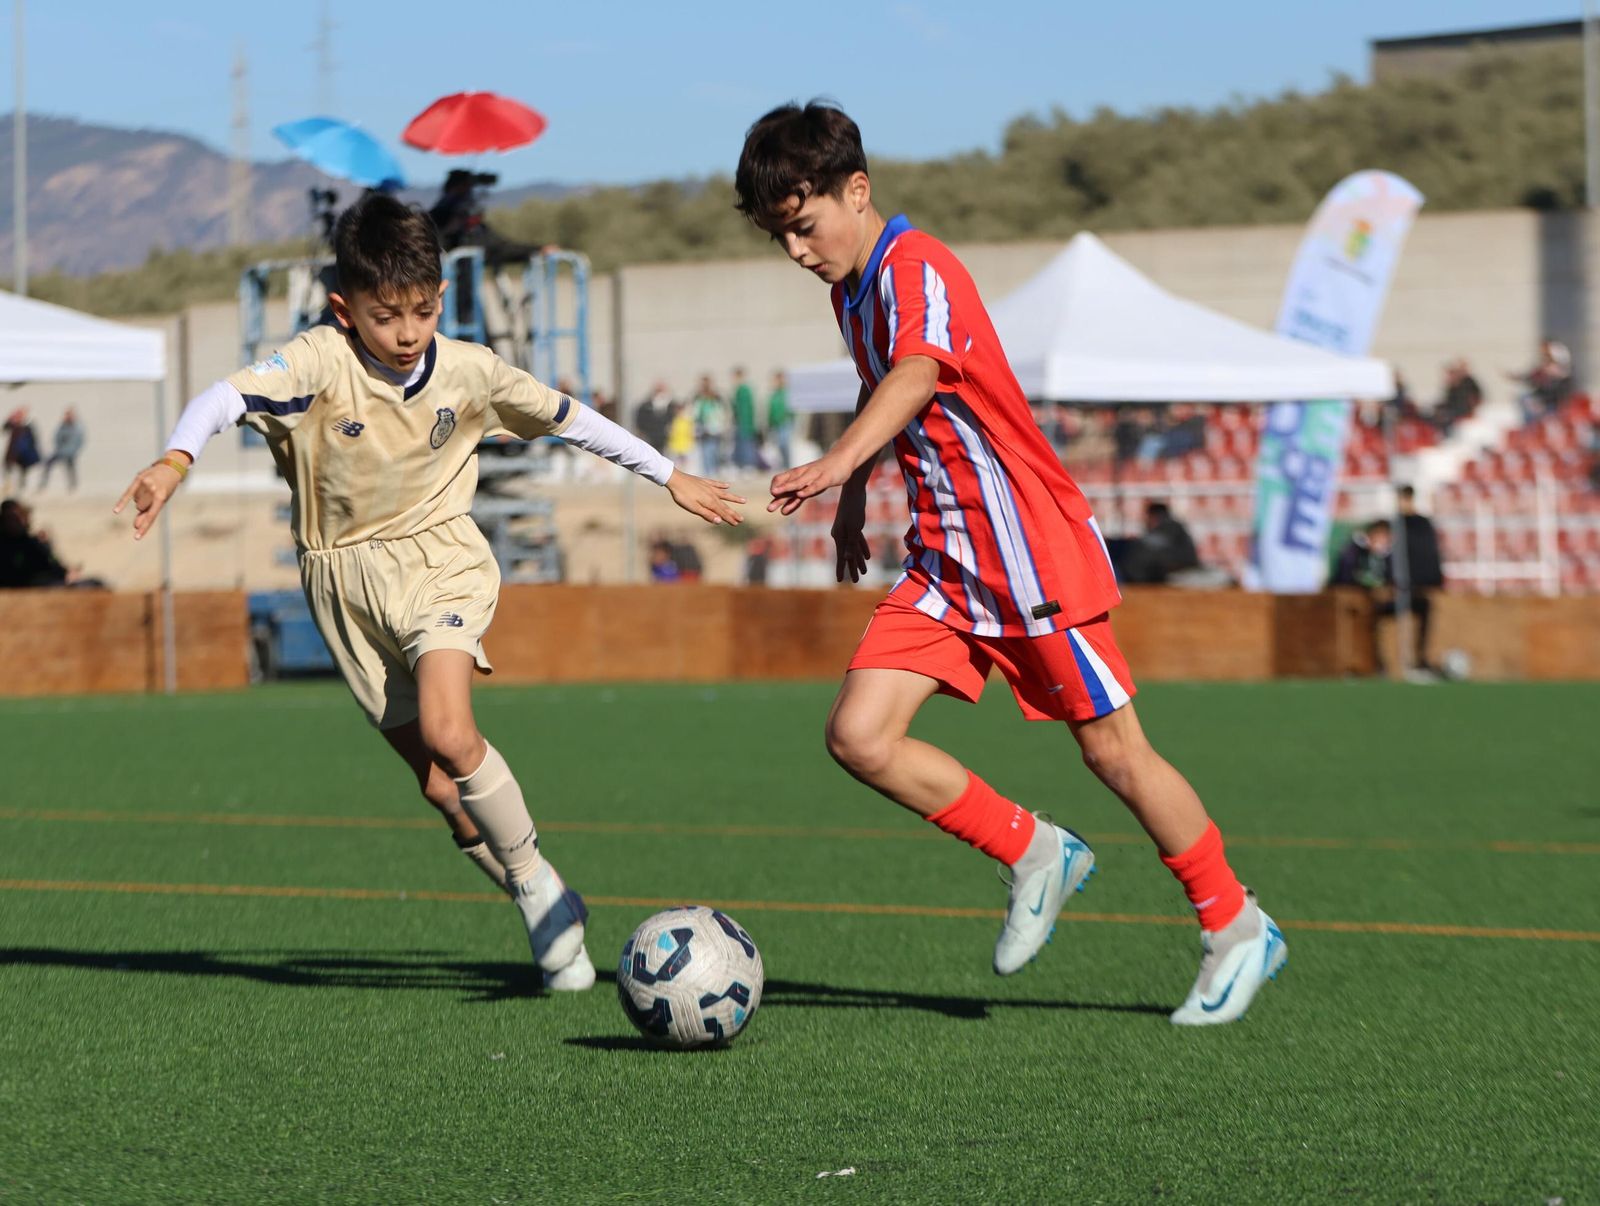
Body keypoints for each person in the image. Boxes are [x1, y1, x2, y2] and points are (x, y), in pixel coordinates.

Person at [738, 101, 1284, 1026]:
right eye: (779, 236)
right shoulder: (851, 290)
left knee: (1114, 751)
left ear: (856, 191)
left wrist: (834, 463)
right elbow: (889, 393)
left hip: (1027, 551)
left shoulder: (918, 266)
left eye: (803, 225)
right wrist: (855, 501)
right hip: (947, 557)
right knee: (860, 737)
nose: (796, 250)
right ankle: (1035, 851)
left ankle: (1236, 927)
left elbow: (916, 374)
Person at [114, 194, 743, 991]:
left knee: (451, 729)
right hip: (341, 584)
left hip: (440, 559)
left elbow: (571, 418)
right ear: (345, 310)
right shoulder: (315, 361)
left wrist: (670, 475)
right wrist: (175, 460)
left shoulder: (471, 370)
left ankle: (540, 894)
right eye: (386, 317)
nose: (407, 333)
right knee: (443, 791)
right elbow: (221, 399)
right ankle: (540, 889)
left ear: (440, 299)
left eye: (420, 311)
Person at [1393, 485, 1443, 674]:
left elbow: (1428, 553)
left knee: (1424, 615)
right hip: (1398, 585)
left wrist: (1432, 579)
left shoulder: (1421, 524)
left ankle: (1421, 658)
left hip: (1417, 583)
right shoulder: (1394, 524)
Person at [1121, 501, 1201, 585]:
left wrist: (1135, 541)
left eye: (1147, 516)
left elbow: (1156, 544)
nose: (1145, 520)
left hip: (1181, 570)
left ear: (1153, 516)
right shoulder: (1170, 527)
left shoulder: (1171, 526)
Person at [0, 497, 69, 587]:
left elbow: (54, 566)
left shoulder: (32, 543)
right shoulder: (6, 544)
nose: (15, 523)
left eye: (18, 518)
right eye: (10, 518)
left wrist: (46, 546)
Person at [692, 375, 729, 476]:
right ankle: (707, 469)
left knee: (713, 449)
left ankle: (713, 469)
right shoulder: (698, 398)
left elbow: (721, 412)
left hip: (714, 428)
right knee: (705, 450)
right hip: (703, 427)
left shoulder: (716, 399)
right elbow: (696, 412)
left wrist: (721, 425)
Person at [40, 410, 85, 492]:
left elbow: (78, 441)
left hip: (70, 453)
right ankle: (43, 485)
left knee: (70, 469)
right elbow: (57, 437)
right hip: (60, 451)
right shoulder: (62, 426)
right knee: (48, 464)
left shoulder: (77, 428)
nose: (67, 417)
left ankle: (73, 486)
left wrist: (72, 450)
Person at [3, 409, 42, 493]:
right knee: (8, 467)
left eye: (19, 416)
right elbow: (4, 428)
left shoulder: (27, 427)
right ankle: (8, 484)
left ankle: (21, 486)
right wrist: (10, 418)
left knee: (23, 469)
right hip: (12, 451)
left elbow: (33, 440)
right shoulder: (13, 425)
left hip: (23, 452)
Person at [730, 367, 760, 470]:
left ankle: (748, 465)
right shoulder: (740, 390)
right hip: (741, 423)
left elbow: (744, 409)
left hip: (745, 423)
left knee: (746, 445)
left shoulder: (743, 390)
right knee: (741, 445)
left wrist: (745, 423)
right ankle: (742, 464)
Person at [766, 370, 793, 469]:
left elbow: (790, 409)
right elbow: (772, 409)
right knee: (779, 445)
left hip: (784, 422)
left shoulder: (786, 393)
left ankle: (787, 465)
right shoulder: (775, 394)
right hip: (776, 423)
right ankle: (783, 464)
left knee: (784, 445)